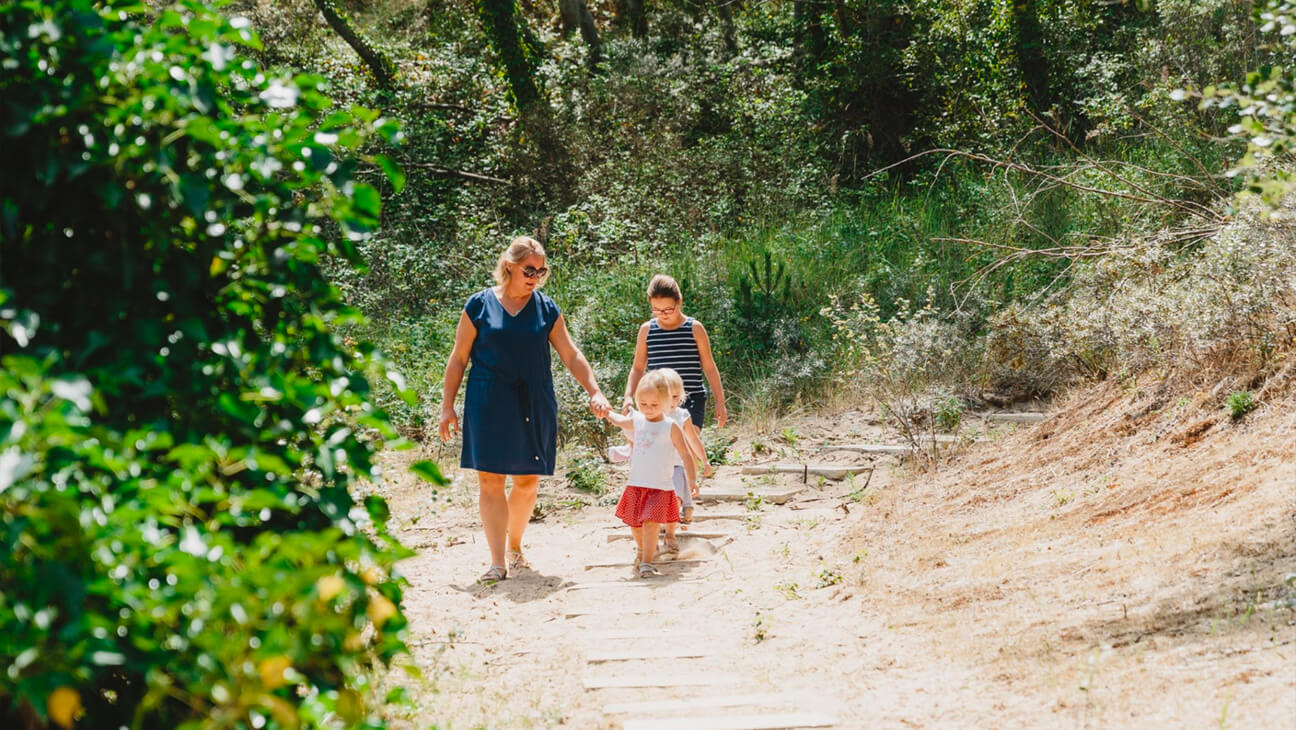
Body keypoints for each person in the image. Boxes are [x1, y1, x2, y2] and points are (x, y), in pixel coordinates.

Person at [438, 236, 611, 584]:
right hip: (488, 402)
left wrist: (595, 390)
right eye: (529, 269)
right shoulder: (479, 306)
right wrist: (447, 407)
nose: (535, 276)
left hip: (534, 401)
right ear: (509, 267)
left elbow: (571, 354)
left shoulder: (546, 309)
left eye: (541, 271)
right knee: (490, 480)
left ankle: (515, 543)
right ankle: (497, 562)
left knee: (527, 482)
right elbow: (458, 359)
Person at [603, 371, 698, 578]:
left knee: (651, 523)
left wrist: (691, 479)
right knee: (635, 525)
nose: (648, 409)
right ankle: (643, 550)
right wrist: (606, 412)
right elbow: (619, 420)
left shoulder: (670, 426)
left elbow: (685, 453)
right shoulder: (637, 420)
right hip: (636, 484)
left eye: (654, 405)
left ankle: (647, 562)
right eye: (643, 404)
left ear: (664, 401)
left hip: (660, 487)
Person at [622, 274, 727, 433]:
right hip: (658, 400)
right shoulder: (647, 330)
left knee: (688, 444)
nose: (663, 314)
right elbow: (637, 368)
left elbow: (709, 367)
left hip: (692, 398)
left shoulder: (694, 328)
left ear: (679, 301)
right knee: (663, 448)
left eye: (668, 309)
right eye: (656, 310)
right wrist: (628, 396)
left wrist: (720, 402)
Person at [658, 367, 709, 554]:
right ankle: (663, 526)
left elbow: (693, 440)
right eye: (667, 396)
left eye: (675, 396)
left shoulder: (682, 415)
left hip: (677, 467)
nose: (671, 402)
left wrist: (704, 460)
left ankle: (670, 534)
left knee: (675, 499)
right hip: (657, 468)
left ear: (681, 395)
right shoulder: (653, 416)